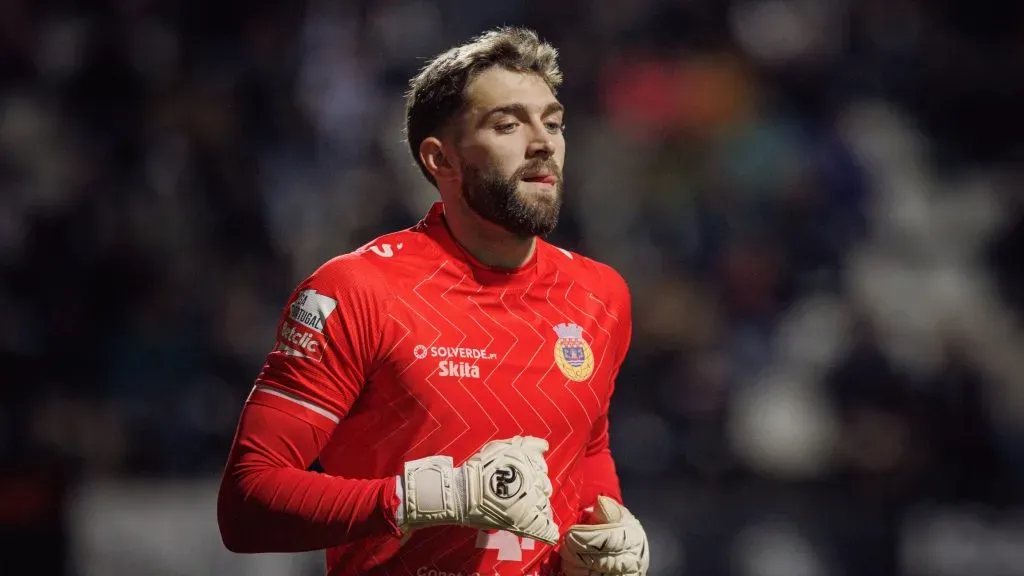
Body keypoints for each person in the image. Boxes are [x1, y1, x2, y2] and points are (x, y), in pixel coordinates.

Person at [217, 26, 649, 576]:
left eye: (554, 122)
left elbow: (584, 448)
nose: (543, 142)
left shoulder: (599, 294)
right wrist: (423, 499)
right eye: (508, 124)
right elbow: (247, 504)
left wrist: (605, 533)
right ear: (440, 161)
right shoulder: (357, 291)